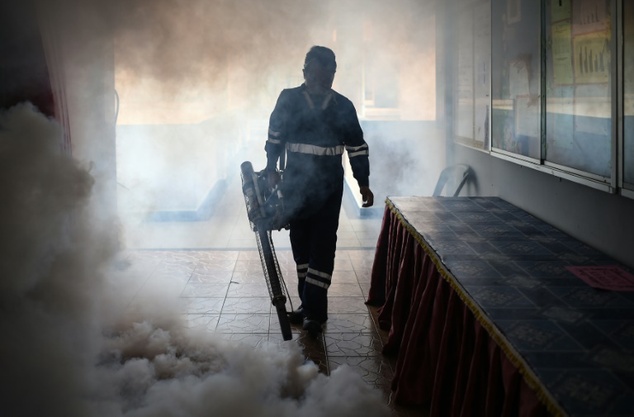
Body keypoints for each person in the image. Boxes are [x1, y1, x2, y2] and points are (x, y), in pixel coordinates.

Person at [264, 45, 374, 336]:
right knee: (300, 245)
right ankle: (307, 306)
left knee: (322, 246)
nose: (325, 78)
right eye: (318, 72)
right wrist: (271, 168)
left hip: (328, 188)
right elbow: (274, 136)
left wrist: (362, 182)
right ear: (305, 71)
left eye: (330, 73)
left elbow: (357, 147)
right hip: (296, 184)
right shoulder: (288, 99)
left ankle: (315, 312)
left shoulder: (343, 106)